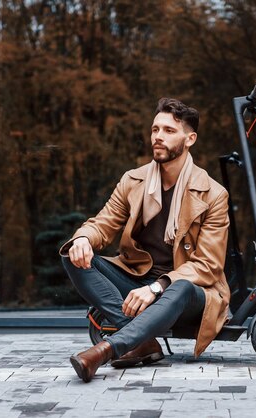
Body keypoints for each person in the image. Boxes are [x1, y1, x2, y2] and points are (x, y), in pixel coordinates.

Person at [60, 98, 230, 383]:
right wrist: (84, 239)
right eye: (155, 129)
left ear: (190, 139)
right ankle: (142, 342)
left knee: (182, 287)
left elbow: (208, 266)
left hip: (188, 293)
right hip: (138, 282)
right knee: (72, 254)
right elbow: (103, 224)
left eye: (168, 130)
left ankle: (106, 350)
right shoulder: (133, 181)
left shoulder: (213, 194)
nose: (158, 137)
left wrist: (157, 286)